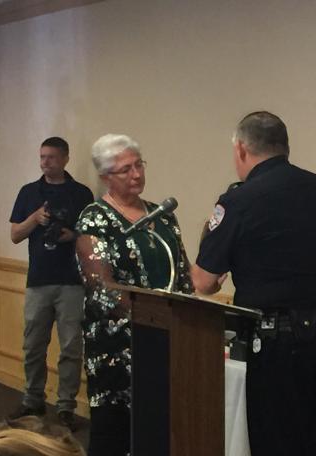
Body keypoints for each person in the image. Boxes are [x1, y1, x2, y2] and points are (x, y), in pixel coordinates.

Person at [191, 111, 316, 456]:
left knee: (275, 443)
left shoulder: (239, 200)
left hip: (280, 339)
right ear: (285, 147)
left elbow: (203, 281)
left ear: (241, 149)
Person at [75, 133, 194, 455]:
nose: (136, 174)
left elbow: (183, 276)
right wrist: (154, 318)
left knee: (163, 431)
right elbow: (101, 287)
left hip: (168, 340)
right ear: (105, 177)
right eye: (125, 169)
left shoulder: (162, 215)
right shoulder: (94, 218)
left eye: (139, 165)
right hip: (117, 347)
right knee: (116, 434)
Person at [9, 136, 94, 429]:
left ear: (65, 159)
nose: (45, 162)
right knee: (33, 344)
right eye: (42, 157)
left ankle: (66, 406)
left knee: (71, 346)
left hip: (72, 281)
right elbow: (15, 234)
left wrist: (72, 236)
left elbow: (92, 238)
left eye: (52, 157)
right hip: (38, 280)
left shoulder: (81, 194)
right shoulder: (29, 192)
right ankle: (32, 399)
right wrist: (35, 218)